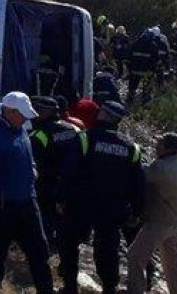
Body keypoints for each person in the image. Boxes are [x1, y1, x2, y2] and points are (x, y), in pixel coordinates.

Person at [59, 101, 144, 294]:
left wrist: (61, 198)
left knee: (69, 244)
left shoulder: (84, 138)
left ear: (104, 115)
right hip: (112, 208)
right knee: (108, 251)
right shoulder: (131, 147)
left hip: (80, 204)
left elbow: (69, 172)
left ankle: (70, 286)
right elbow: (137, 183)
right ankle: (109, 288)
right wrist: (137, 210)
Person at [0, 92, 53, 294]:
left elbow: (27, 155)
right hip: (2, 204)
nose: (26, 118)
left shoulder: (22, 129)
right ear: (9, 111)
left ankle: (46, 289)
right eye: (22, 114)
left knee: (40, 249)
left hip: (27, 199)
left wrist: (32, 168)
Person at [126, 132, 177, 294]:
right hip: (175, 222)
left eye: (160, 143)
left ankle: (135, 290)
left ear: (167, 148)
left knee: (135, 257)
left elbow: (140, 176)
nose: (156, 146)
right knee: (171, 262)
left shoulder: (159, 167)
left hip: (157, 222)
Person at [28, 96, 86, 250]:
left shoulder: (39, 135)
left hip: (48, 186)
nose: (34, 113)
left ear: (46, 112)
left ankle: (44, 249)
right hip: (74, 185)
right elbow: (85, 154)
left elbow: (32, 164)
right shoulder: (76, 129)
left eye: (37, 109)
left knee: (45, 222)